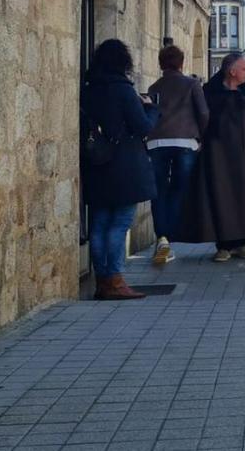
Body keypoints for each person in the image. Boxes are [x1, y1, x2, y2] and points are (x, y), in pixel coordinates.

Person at [178, 52, 245, 261]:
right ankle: (225, 244)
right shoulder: (210, 92)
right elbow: (201, 120)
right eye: (244, 69)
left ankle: (244, 241)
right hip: (219, 157)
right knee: (222, 197)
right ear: (232, 71)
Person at [81, 39, 158, 300]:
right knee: (120, 223)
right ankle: (115, 279)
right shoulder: (124, 90)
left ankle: (102, 280)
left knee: (100, 222)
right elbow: (143, 127)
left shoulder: (89, 89)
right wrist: (151, 108)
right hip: (124, 165)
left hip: (98, 163)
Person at [145, 45, 208, 265]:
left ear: (161, 64)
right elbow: (203, 112)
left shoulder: (154, 87)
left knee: (159, 191)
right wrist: (202, 138)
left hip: (157, 143)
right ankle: (170, 236)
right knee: (180, 189)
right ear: (181, 63)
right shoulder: (192, 84)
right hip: (185, 142)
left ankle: (162, 237)